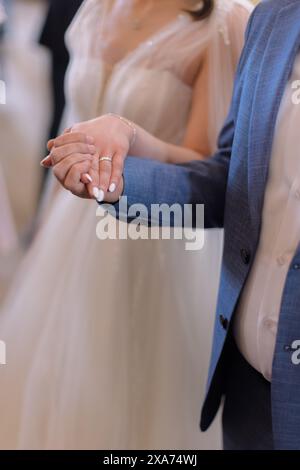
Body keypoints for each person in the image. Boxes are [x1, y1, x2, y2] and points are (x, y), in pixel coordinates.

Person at [0, 0, 252, 449]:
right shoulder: (97, 6)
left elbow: (207, 166)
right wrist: (45, 212)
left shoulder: (222, 22)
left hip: (154, 236)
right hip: (67, 226)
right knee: (53, 380)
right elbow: (67, 124)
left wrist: (129, 136)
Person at [51, 0, 300, 450]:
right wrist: (115, 179)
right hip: (244, 388)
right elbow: (232, 176)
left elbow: (202, 153)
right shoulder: (276, 17)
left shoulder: (228, 22)